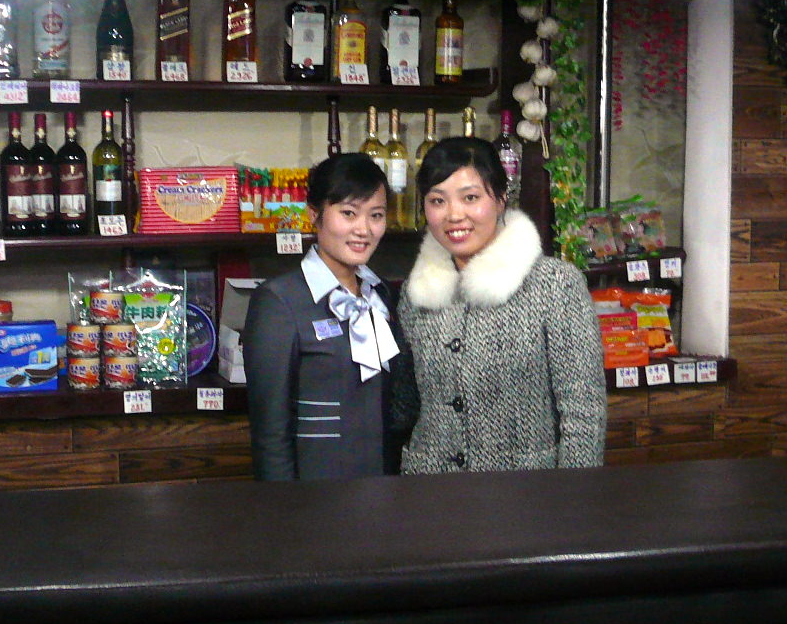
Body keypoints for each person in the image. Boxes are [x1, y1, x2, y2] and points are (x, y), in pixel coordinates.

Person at [398, 136, 604, 474]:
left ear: (501, 200)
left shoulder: (555, 285)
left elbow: (583, 410)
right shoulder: (416, 292)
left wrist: (573, 499)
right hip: (430, 492)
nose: (454, 215)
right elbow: (407, 406)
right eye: (438, 201)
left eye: (471, 198)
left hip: (523, 495)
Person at [244, 153, 416, 480]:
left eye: (376, 215)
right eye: (349, 213)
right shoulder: (279, 301)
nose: (363, 229)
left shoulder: (381, 296)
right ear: (315, 214)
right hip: (315, 495)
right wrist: (285, 509)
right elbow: (270, 432)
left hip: (384, 486)